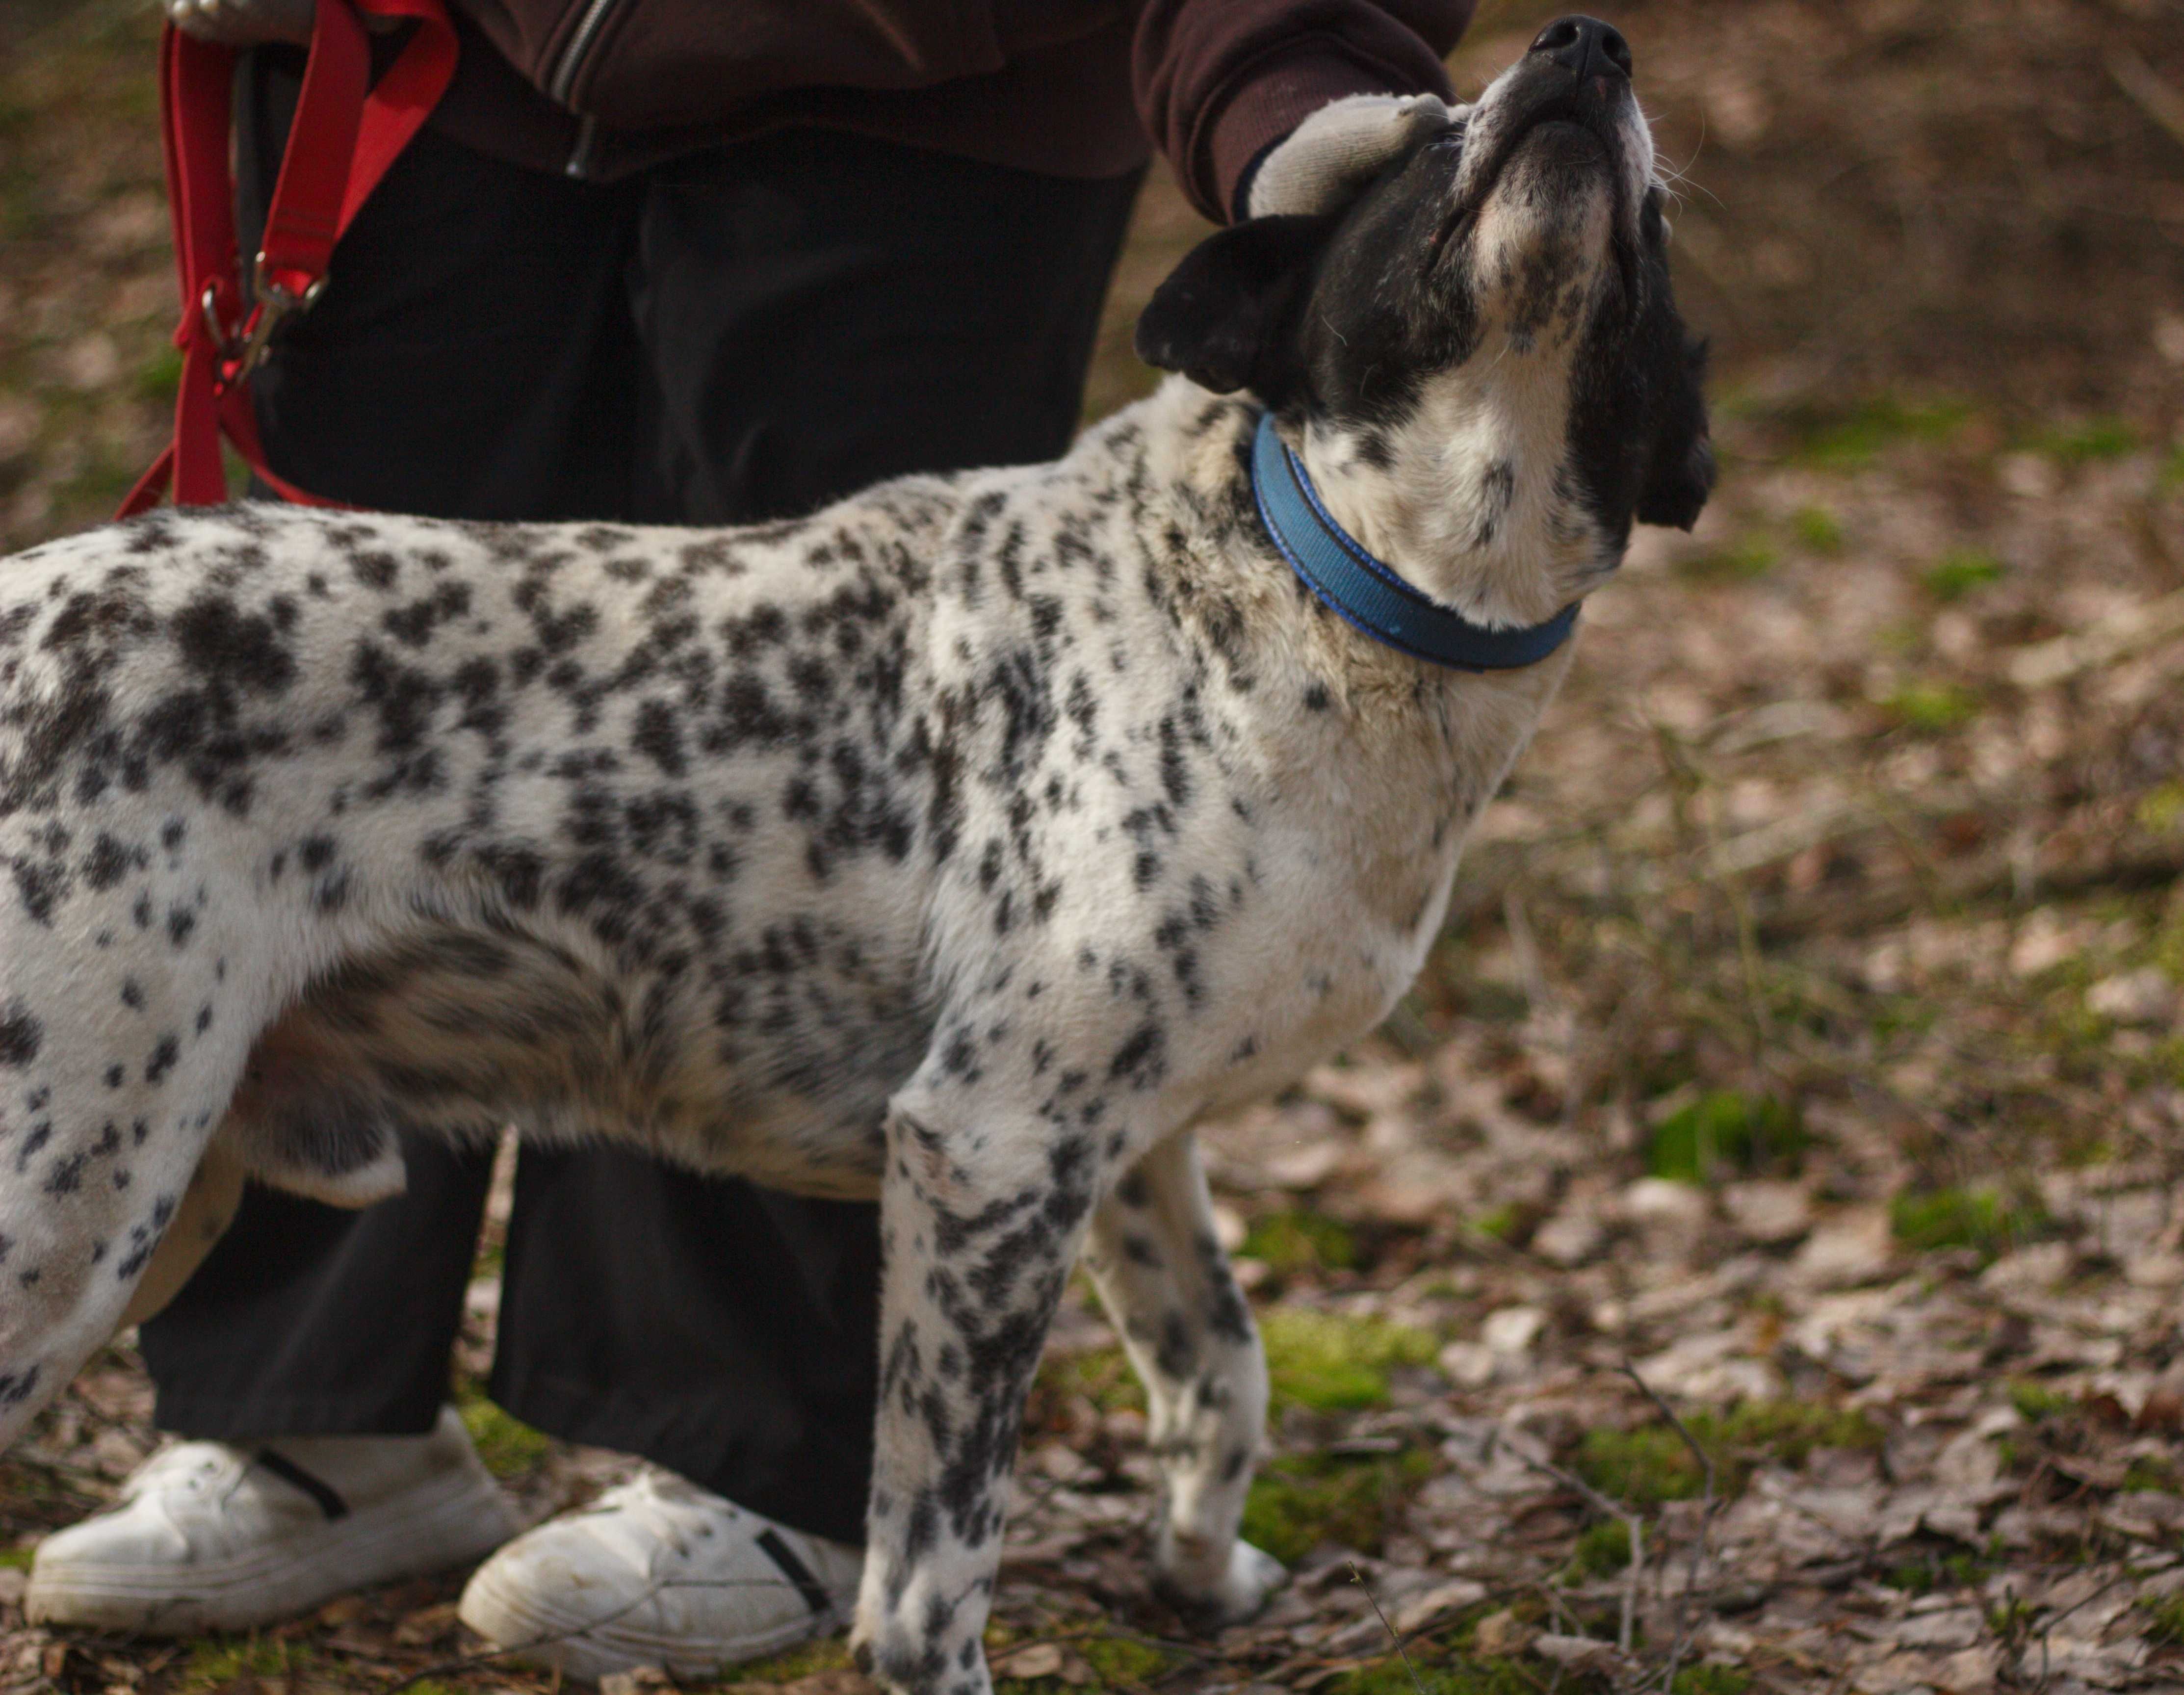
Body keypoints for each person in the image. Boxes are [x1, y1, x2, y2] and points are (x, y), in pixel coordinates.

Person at [27, 0, 1475, 1677]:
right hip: (445, 71)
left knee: (833, 820)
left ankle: (748, 1463)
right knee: (299, 728)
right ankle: (306, 1421)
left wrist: (1294, 91)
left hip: (920, 104)